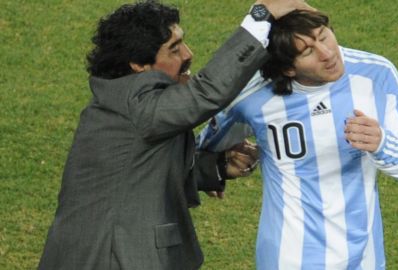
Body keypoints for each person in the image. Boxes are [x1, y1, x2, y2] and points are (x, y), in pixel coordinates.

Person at [38, 1, 314, 269]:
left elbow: (138, 178)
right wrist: (261, 15)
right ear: (138, 65)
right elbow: (206, 93)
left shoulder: (123, 104)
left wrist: (214, 168)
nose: (187, 54)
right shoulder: (137, 105)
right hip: (114, 258)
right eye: (174, 49)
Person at [198, 9, 398, 270]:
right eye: (307, 52)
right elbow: (203, 148)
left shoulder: (376, 74)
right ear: (288, 69)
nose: (327, 53)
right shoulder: (253, 95)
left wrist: (381, 143)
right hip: (288, 258)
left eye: (324, 36)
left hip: (365, 259)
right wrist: (216, 167)